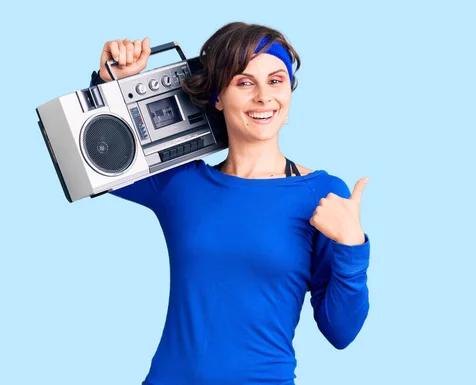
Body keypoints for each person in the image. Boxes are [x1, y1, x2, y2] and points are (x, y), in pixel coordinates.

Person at [89, 22, 371, 385]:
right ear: (218, 97)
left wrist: (353, 246)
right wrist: (112, 85)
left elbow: (341, 332)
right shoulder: (181, 183)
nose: (264, 97)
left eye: (276, 80)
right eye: (244, 82)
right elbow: (101, 163)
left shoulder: (323, 194)